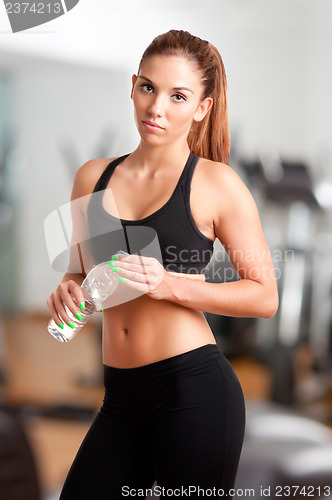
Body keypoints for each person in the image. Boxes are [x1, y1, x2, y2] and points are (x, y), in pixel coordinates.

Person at [47, 29, 279, 499]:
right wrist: (67, 292)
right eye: (148, 88)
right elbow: (79, 271)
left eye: (178, 96)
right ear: (132, 86)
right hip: (120, 395)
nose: (156, 108)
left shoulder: (217, 184)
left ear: (201, 108)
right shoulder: (93, 176)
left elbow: (265, 295)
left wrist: (169, 284)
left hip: (193, 390)